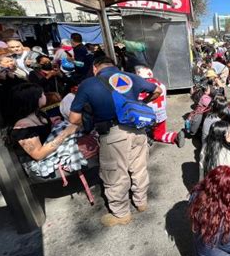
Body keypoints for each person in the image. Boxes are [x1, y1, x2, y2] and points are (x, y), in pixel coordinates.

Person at [69, 56, 163, 227]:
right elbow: (157, 90)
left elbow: (74, 118)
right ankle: (141, 202)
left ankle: (121, 214)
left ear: (95, 67)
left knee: (115, 175)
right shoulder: (131, 77)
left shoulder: (88, 84)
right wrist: (140, 105)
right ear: (114, 65)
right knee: (139, 168)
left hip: (113, 134)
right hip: (138, 129)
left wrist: (90, 121)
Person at [8, 83, 78, 167]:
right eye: (41, 95)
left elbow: (41, 130)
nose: (44, 95)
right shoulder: (23, 128)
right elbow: (38, 155)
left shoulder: (38, 113)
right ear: (33, 100)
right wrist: (65, 133)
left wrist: (51, 122)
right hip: (40, 166)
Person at [134, 65, 185, 148]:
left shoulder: (142, 87)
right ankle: (175, 136)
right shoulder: (161, 85)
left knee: (136, 128)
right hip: (161, 115)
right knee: (159, 134)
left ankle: (146, 139)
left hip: (148, 118)